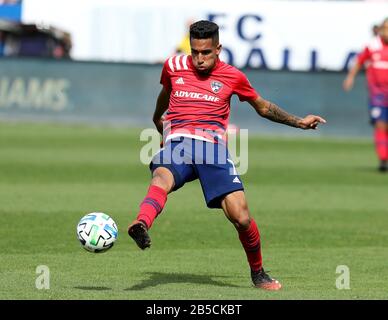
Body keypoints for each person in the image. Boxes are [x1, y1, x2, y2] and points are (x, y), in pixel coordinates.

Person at [128, 20, 326, 291]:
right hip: (179, 141)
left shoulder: (233, 76)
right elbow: (166, 93)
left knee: (241, 216)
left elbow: (263, 107)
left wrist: (299, 122)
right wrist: (156, 119)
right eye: (195, 52)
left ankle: (258, 274)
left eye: (206, 52)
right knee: (161, 178)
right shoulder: (173, 66)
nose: (199, 59)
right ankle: (141, 223)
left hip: (212, 148)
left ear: (218, 48)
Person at [343, 18, 388, 172]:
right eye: (385, 28)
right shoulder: (372, 46)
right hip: (378, 94)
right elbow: (359, 61)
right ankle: (383, 159)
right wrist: (350, 77)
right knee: (381, 125)